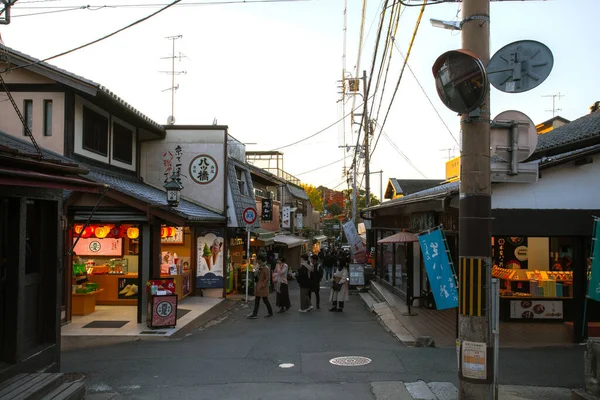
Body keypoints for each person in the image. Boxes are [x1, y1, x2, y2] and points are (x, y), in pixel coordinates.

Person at [247, 254, 274, 319]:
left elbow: (267, 278)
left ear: (261, 260)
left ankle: (268, 312)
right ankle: (255, 313)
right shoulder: (261, 266)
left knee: (264, 300)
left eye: (258, 260)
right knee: (258, 300)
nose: (257, 261)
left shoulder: (265, 268)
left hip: (262, 287)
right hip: (259, 285)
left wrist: (262, 285)